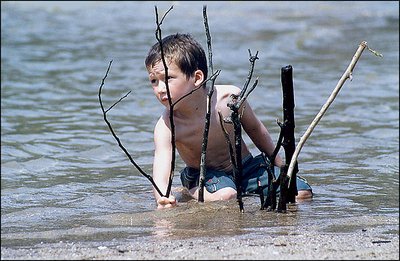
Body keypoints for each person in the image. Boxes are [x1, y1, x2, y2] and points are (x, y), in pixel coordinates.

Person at [145, 33, 312, 209]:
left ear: (197, 78)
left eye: (168, 78)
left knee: (300, 193)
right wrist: (163, 197)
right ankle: (191, 190)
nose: (159, 89)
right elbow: (162, 169)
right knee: (227, 195)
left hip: (247, 168)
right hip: (204, 175)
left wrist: (280, 165)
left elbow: (256, 130)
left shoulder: (228, 99)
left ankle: (241, 188)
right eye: (154, 81)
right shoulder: (167, 126)